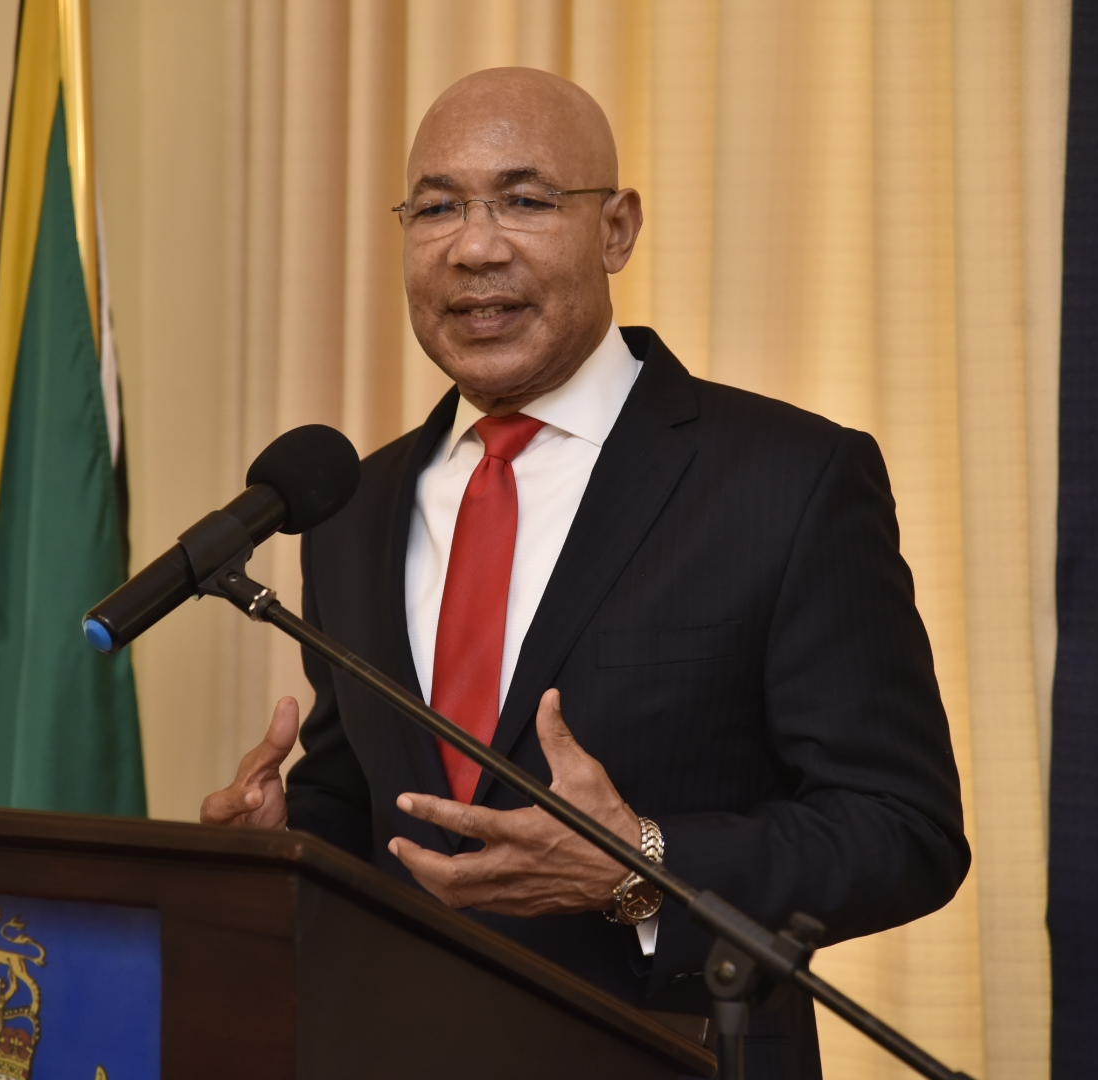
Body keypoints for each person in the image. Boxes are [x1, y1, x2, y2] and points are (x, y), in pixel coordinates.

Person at [201, 66, 969, 1076]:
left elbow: (902, 831)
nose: (474, 247)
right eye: (436, 208)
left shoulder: (788, 480)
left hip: (675, 1049)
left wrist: (642, 866)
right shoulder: (353, 508)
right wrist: (286, 840)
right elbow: (374, 804)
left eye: (523, 200)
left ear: (616, 230)